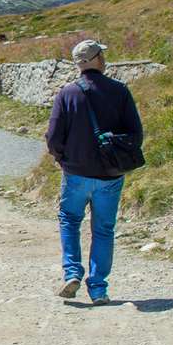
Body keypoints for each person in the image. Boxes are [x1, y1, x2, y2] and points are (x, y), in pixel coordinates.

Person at [45, 39, 144, 305]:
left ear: (79, 64)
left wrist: (62, 159)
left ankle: (72, 273)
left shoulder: (67, 93)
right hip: (110, 175)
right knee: (103, 230)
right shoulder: (120, 91)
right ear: (97, 59)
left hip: (75, 173)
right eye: (102, 54)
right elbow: (136, 134)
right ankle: (98, 289)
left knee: (69, 220)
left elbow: (53, 136)